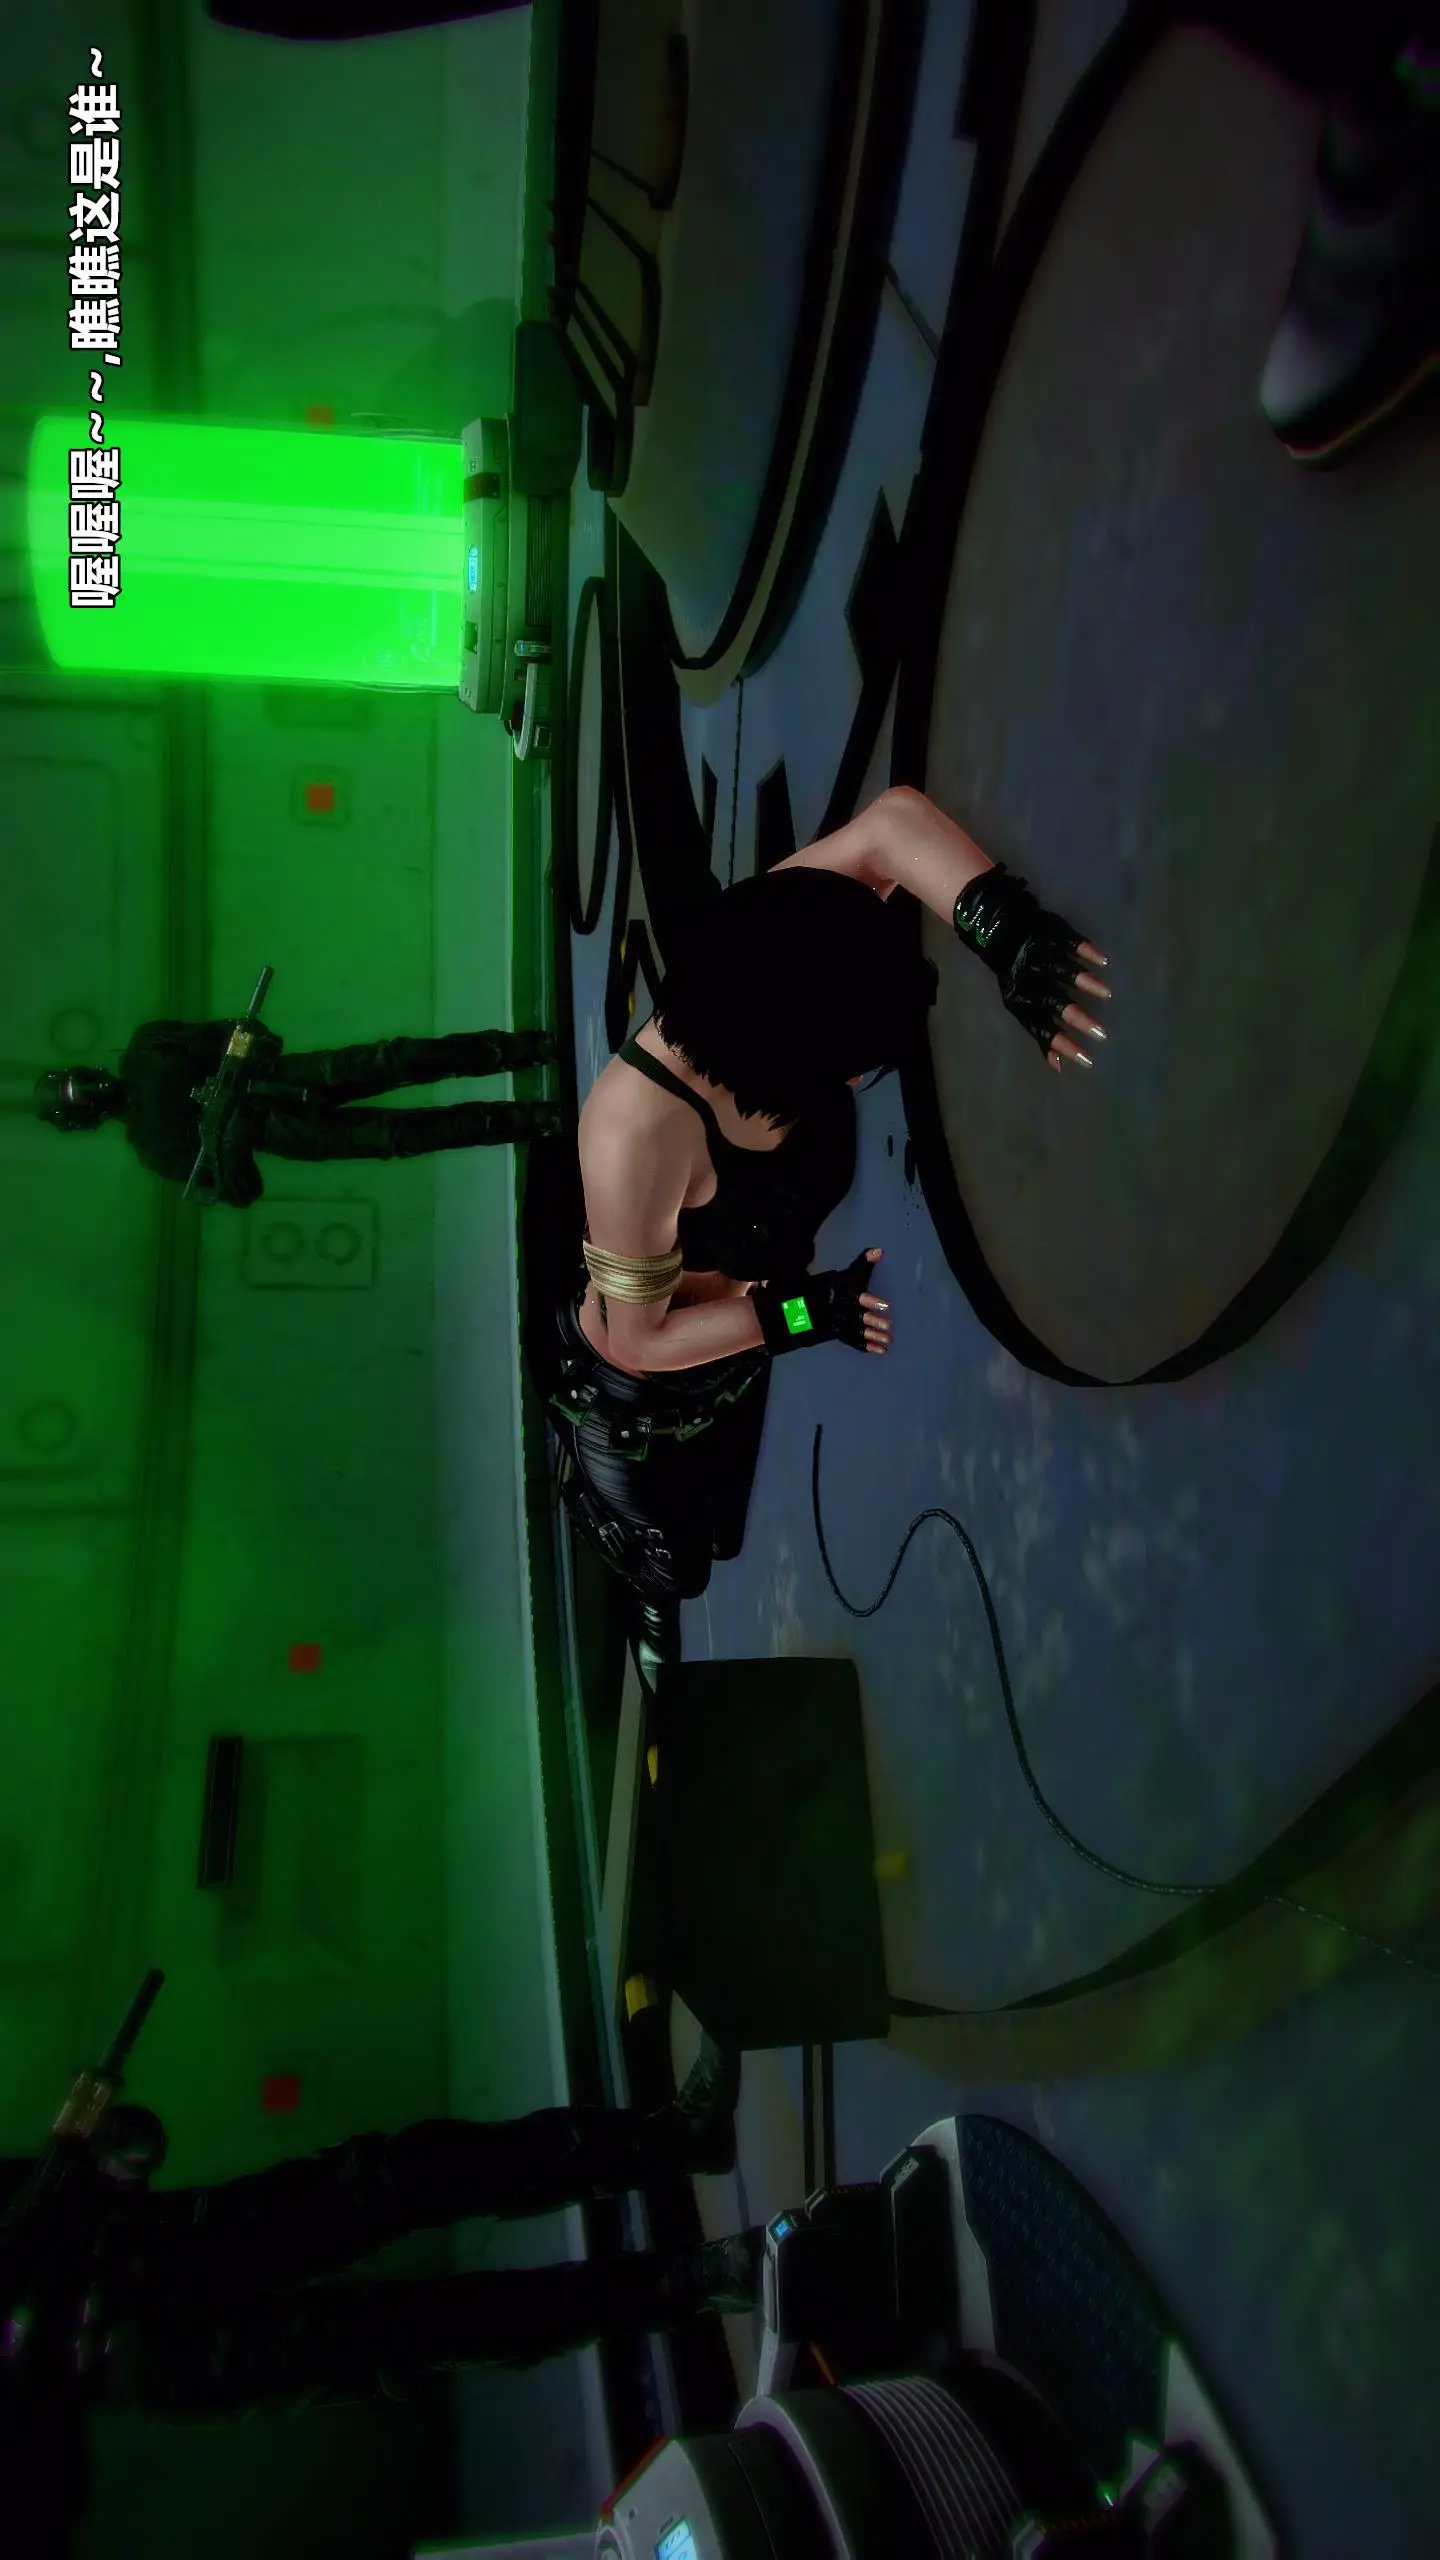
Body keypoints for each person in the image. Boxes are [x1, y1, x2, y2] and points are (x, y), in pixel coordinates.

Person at [547, 790, 1111, 1683]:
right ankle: (619, 1543)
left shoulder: (777, 936)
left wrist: (1005, 930)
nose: (854, 1082)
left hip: (738, 1328)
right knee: (679, 1560)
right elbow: (638, 1341)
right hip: (638, 1391)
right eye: (846, 1068)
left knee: (723, 1505)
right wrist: (805, 1313)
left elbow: (890, 827)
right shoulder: (631, 1135)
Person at [0, 2041, 760, 2423]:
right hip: (151, 2353)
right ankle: (692, 2281)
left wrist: (105, 2159)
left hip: (176, 2238)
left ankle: (674, 2142)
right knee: (421, 2327)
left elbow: (73, 2187)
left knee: (398, 2173)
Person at [33, 1025, 560, 1209]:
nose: (91, 1088)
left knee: (400, 1059)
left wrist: (248, 1057)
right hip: (290, 1132)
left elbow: (238, 1031)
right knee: (406, 1134)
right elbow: (238, 1190)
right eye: (79, 1096)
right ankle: (533, 1119)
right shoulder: (153, 1146)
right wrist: (230, 1135)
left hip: (295, 1076)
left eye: (80, 1081)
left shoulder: (149, 1048)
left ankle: (524, 1050)